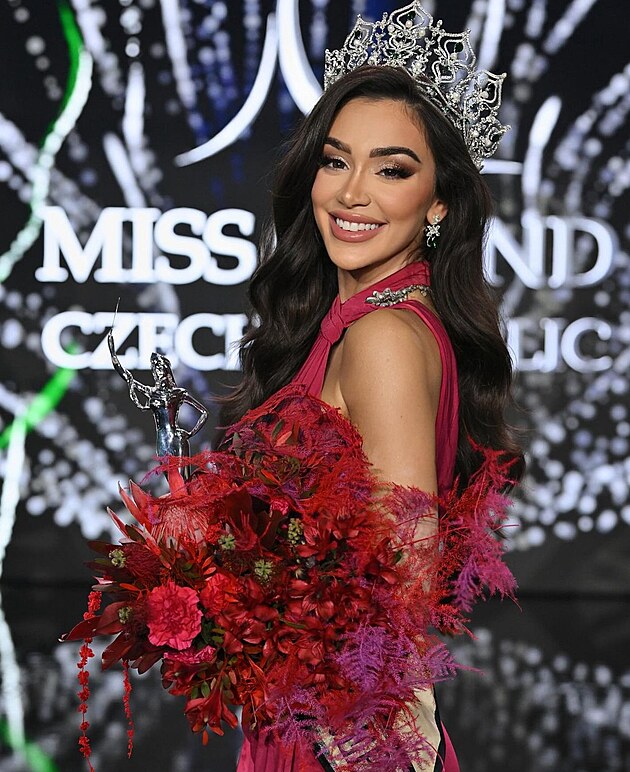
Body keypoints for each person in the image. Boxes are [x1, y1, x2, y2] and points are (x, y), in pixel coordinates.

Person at [218, 5, 523, 771]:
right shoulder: (372, 322)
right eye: (335, 161)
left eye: (391, 169)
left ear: (440, 200)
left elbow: (405, 574)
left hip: (345, 733)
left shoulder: (383, 336)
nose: (351, 193)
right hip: (313, 715)